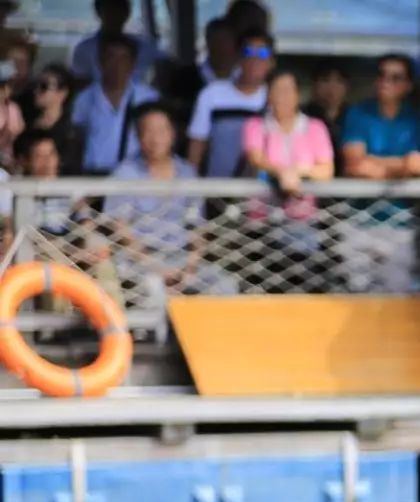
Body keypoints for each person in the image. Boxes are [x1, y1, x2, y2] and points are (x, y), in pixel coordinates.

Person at [105, 104, 229, 305]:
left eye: (162, 130)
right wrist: (156, 268)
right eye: (148, 131)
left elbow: (198, 228)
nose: (155, 138)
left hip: (181, 258)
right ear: (139, 137)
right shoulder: (125, 174)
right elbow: (121, 230)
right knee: (154, 297)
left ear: (172, 134)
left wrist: (190, 267)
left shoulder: (187, 172)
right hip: (138, 261)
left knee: (225, 286)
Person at [339, 53, 420, 293]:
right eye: (382, 75)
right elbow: (355, 165)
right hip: (359, 220)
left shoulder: (417, 119)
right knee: (356, 297)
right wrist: (402, 165)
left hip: (400, 222)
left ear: (408, 86)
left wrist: (375, 165)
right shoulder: (358, 113)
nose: (386, 81)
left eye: (395, 77)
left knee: (397, 296)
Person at [241, 67, 333, 291]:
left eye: (288, 90)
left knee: (303, 286)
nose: (283, 97)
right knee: (263, 287)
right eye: (277, 90)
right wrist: (281, 172)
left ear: (298, 95)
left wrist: (300, 172)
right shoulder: (256, 126)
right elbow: (256, 158)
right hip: (262, 221)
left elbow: (326, 170)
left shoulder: (314, 128)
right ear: (268, 94)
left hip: (302, 222)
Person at [188, 29, 271, 179]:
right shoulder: (212, 94)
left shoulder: (276, 98)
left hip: (263, 197)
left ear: (272, 62)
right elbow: (197, 146)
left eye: (262, 53)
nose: (255, 59)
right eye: (248, 52)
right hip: (216, 192)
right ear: (238, 57)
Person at [70, 33, 156, 175]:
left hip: (135, 176)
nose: (117, 64)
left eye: (123, 58)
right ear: (100, 61)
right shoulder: (85, 99)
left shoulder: (148, 97)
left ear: (133, 64)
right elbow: (77, 142)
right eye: (111, 57)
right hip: (93, 175)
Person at [70, 0, 157, 84]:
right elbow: (80, 84)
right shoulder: (84, 49)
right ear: (98, 11)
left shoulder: (145, 47)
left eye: (121, 7)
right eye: (111, 8)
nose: (116, 13)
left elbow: (164, 64)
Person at [307, 61, 351, 157]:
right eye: (325, 80)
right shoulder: (304, 117)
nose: (332, 87)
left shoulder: (354, 116)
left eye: (339, 81)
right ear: (315, 84)